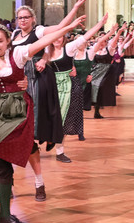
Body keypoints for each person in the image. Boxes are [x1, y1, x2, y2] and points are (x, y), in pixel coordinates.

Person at [0, 16, 88, 223]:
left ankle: (39, 182)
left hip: (18, 107)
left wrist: (69, 27)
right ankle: (6, 184)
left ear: (8, 41)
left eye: (0, 41)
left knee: (29, 146)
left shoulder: (18, 53)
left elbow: (45, 41)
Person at [11, 0, 88, 200]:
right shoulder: (13, 35)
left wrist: (74, 9)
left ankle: (43, 150)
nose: (22, 20)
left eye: (26, 17)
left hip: (36, 79)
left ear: (33, 19)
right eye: (20, 18)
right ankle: (7, 180)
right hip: (17, 81)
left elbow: (59, 28)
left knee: (35, 122)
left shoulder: (38, 31)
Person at [41, 14, 107, 162]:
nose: (57, 39)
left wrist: (100, 24)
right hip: (49, 87)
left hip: (66, 87)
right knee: (47, 117)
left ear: (64, 37)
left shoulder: (68, 49)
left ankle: (60, 151)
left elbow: (85, 37)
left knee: (62, 119)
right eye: (54, 36)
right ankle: (48, 138)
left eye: (60, 36)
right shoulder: (45, 51)